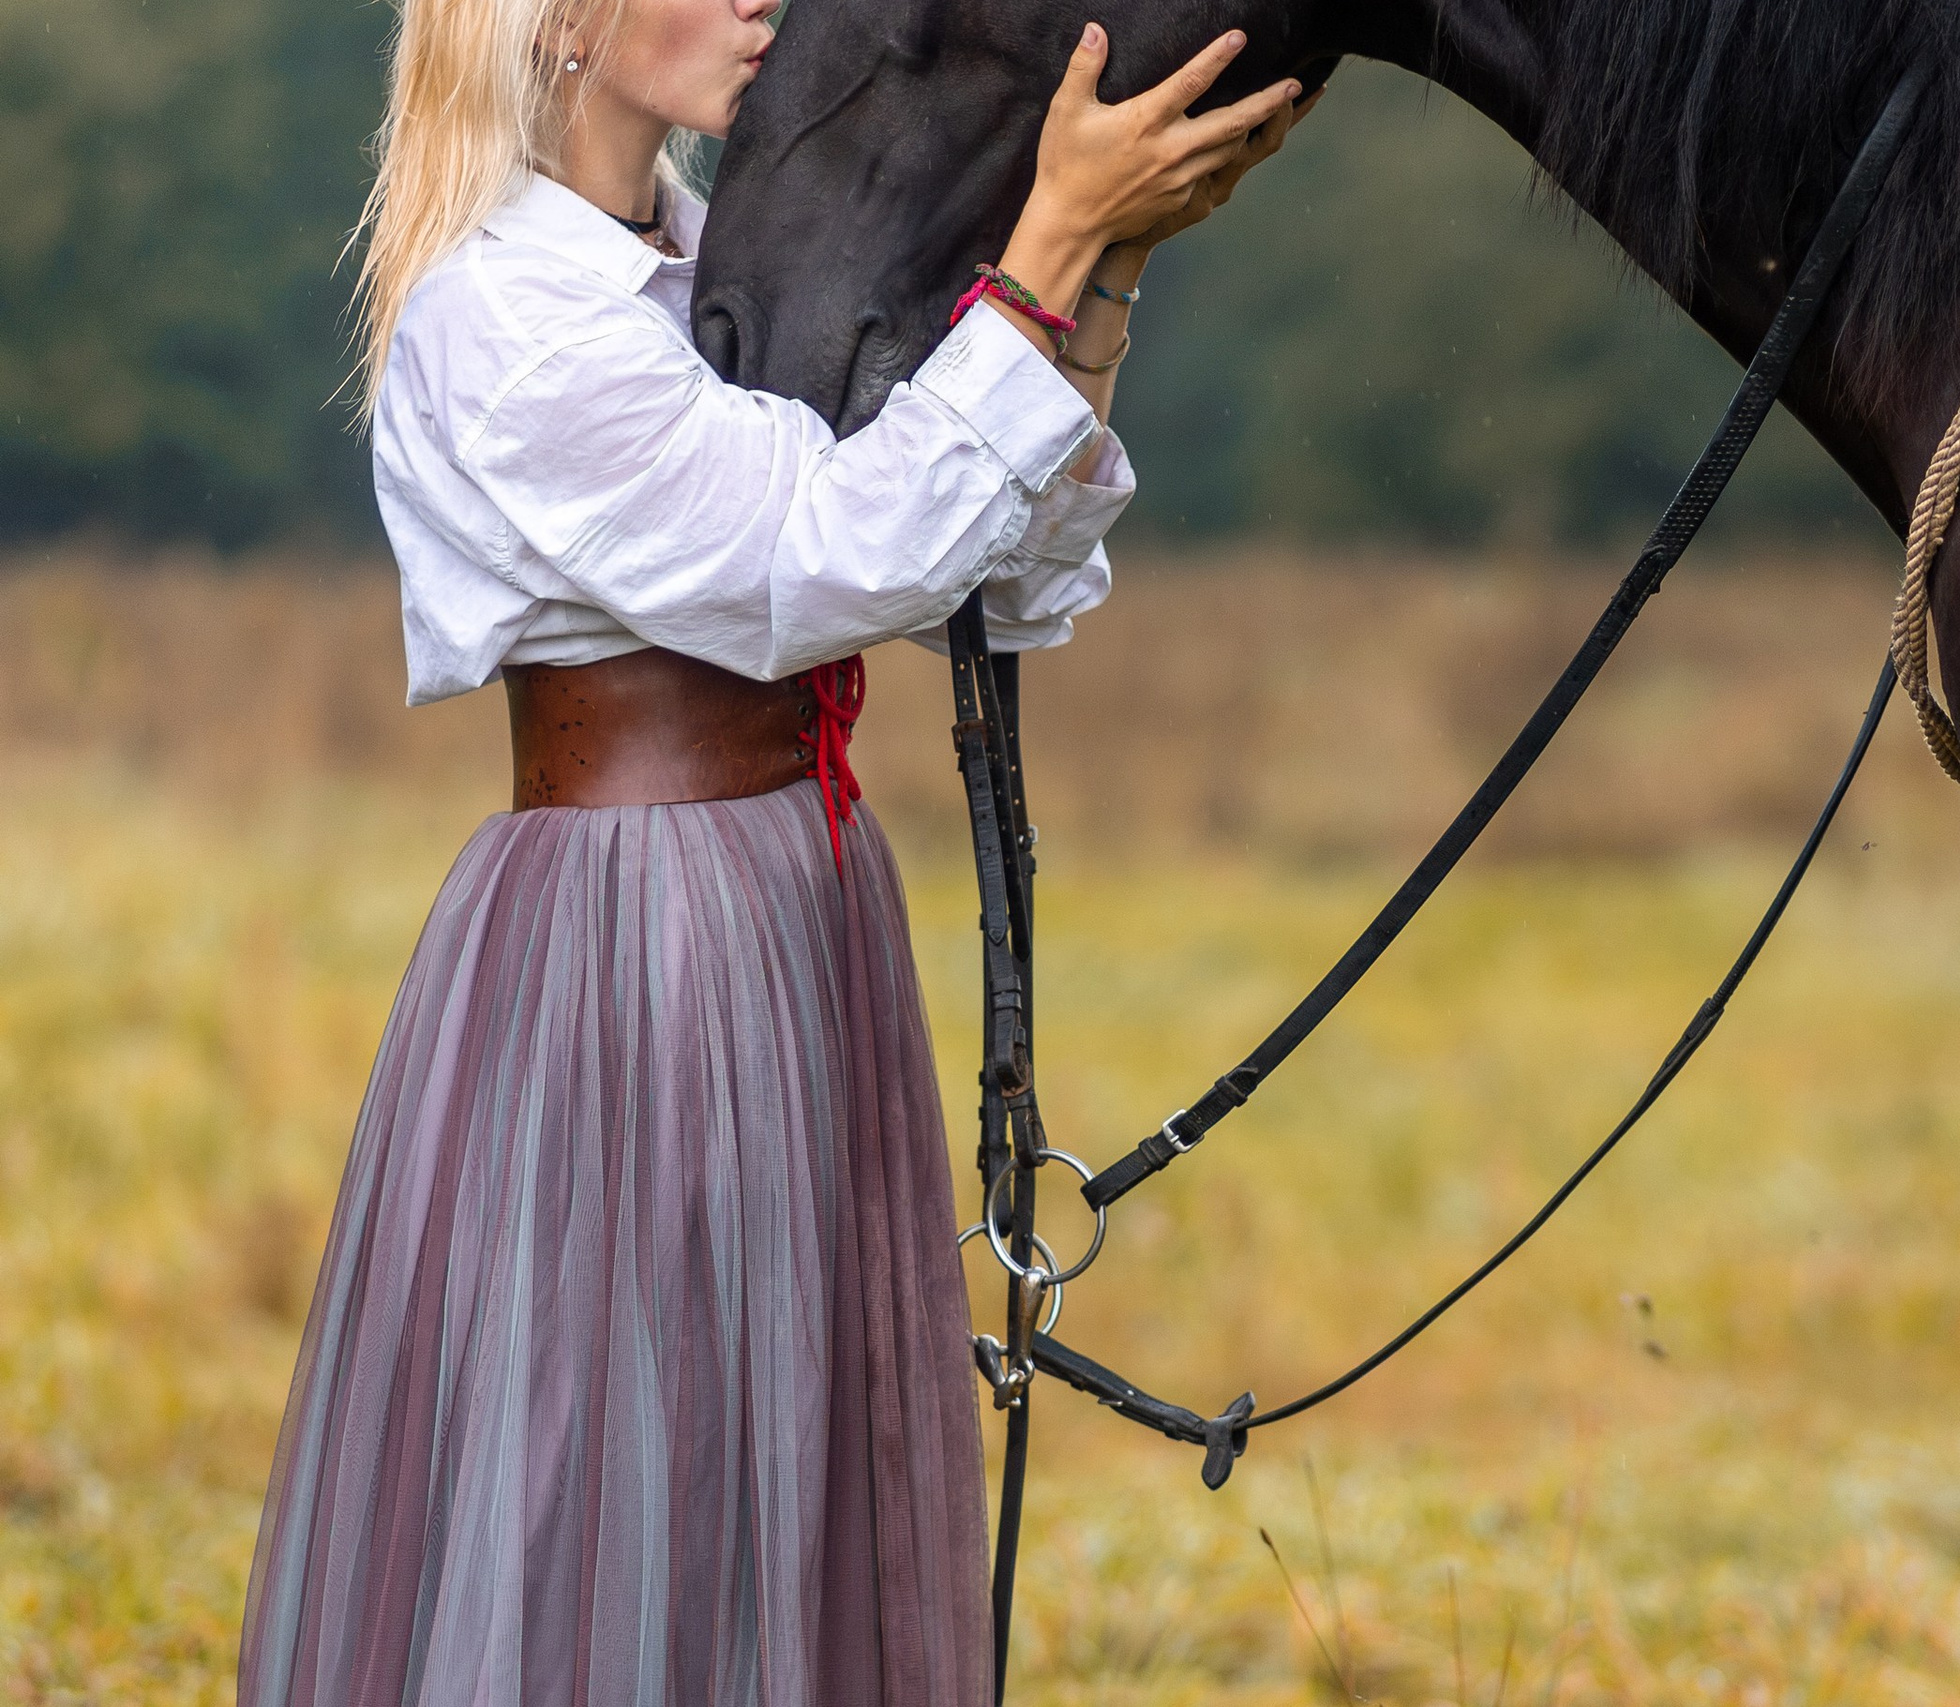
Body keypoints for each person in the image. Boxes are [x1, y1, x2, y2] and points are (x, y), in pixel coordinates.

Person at [232, 0, 1311, 1696]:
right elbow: (832, 554)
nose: (765, 1)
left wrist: (1097, 277)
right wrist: (1044, 243)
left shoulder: (723, 270)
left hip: (797, 896)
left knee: (788, 1437)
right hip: (633, 926)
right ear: (559, 20)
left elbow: (994, 576)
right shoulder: (507, 316)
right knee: (608, 1445)